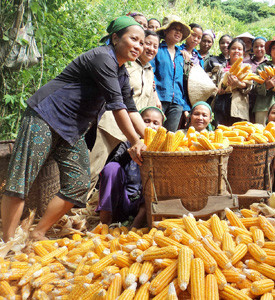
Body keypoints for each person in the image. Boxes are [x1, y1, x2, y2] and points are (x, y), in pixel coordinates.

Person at [1, 16, 146, 241]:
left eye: (142, 42)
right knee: (21, 181)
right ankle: (7, 242)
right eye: (134, 39)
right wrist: (135, 142)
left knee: (78, 184)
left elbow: (131, 109)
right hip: (45, 116)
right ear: (115, 38)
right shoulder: (102, 58)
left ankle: (38, 232)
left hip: (72, 128)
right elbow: (117, 107)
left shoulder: (121, 72)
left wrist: (151, 138)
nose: (139, 46)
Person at [89, 29, 161, 198]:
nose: (150, 48)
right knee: (94, 167)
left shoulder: (150, 71)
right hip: (111, 124)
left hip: (132, 131)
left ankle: (98, 208)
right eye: (146, 44)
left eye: (155, 46)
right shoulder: (126, 64)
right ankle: (74, 211)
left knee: (115, 171)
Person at [96, 107, 165, 228]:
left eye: (156, 123)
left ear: (162, 127)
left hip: (144, 205)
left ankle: (136, 225)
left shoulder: (163, 149)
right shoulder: (127, 143)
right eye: (146, 121)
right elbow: (110, 170)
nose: (150, 126)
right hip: (122, 200)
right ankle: (104, 222)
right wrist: (130, 151)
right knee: (111, 167)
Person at [153, 15, 192, 132]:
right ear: (165, 31)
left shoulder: (182, 55)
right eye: (175, 28)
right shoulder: (157, 50)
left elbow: (184, 83)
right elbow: (150, 73)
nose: (178, 32)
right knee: (152, 134)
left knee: (170, 136)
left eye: (181, 31)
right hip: (159, 99)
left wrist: (185, 107)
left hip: (177, 103)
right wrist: (155, 97)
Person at [213, 38, 252, 126]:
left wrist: (238, 84)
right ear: (228, 51)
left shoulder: (247, 68)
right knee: (221, 130)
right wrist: (217, 90)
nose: (236, 51)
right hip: (221, 102)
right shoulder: (220, 68)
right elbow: (213, 84)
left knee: (238, 132)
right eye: (233, 48)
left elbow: (250, 86)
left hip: (238, 104)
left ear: (243, 52)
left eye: (240, 49)